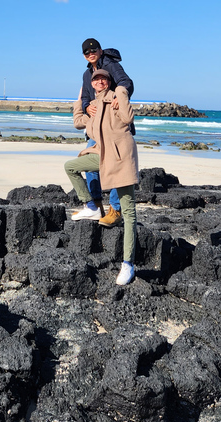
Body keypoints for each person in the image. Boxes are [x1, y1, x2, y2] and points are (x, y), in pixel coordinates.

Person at [64, 68, 138, 286]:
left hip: (122, 158)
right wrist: (80, 101)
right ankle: (92, 206)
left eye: (103, 79)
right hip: (103, 155)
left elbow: (128, 118)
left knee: (129, 213)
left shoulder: (115, 99)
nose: (99, 82)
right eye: (96, 79)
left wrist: (121, 93)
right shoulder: (94, 107)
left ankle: (128, 264)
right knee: (71, 167)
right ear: (92, 84)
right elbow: (79, 122)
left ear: (109, 82)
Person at [76, 38, 135, 228]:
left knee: (116, 166)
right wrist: (86, 107)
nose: (91, 54)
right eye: (87, 52)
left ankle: (115, 209)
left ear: (100, 51)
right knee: (89, 164)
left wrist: (119, 95)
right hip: (95, 128)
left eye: (94, 50)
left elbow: (126, 82)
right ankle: (96, 206)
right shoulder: (87, 74)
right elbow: (85, 97)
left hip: (114, 127)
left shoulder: (110, 64)